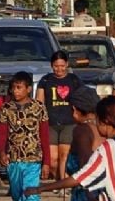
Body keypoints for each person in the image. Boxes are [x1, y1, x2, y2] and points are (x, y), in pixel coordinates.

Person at [0, 71, 51, 201]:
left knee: (30, 193)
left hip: (33, 158)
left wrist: (46, 162)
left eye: (19, 88)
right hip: (14, 158)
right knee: (19, 194)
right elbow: (2, 133)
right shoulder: (6, 108)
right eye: (13, 88)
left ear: (29, 89)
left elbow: (44, 135)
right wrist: (2, 153)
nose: (16, 91)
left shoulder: (39, 108)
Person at [36, 51, 83, 181]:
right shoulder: (45, 80)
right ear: (52, 65)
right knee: (52, 160)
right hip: (50, 123)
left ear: (67, 64)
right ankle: (65, 182)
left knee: (64, 157)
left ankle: (63, 184)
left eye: (62, 65)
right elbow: (39, 103)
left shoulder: (74, 80)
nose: (59, 69)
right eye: (56, 66)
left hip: (69, 123)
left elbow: (82, 98)